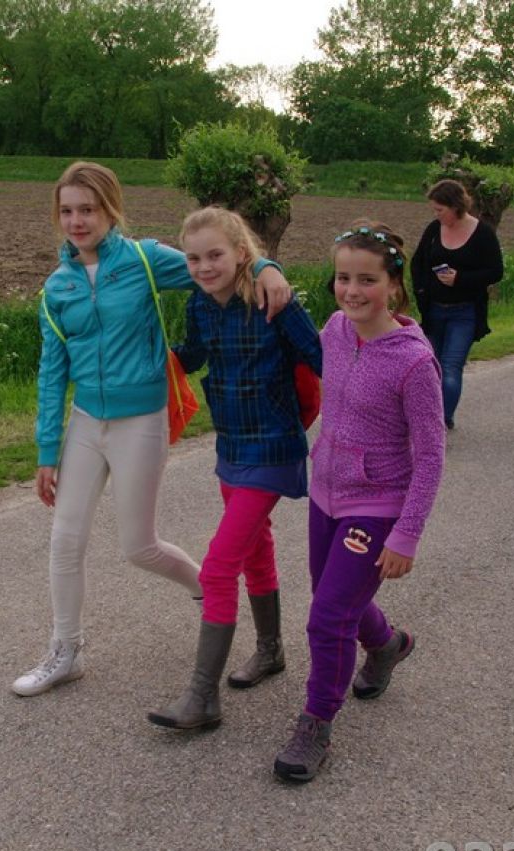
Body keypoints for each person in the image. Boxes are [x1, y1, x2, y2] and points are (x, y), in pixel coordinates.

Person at [13, 162, 295, 698]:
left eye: (88, 209)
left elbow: (216, 264)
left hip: (141, 420)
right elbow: (52, 374)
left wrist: (267, 267)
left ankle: (208, 593)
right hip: (85, 423)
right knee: (65, 539)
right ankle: (65, 650)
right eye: (67, 211)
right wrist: (47, 451)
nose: (77, 221)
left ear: (111, 210)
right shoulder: (57, 288)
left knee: (138, 547)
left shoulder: (142, 260)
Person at [273, 222, 445, 782]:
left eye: (367, 280)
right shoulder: (335, 330)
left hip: (377, 504)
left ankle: (316, 723)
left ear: (394, 284)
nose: (352, 290)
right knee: (336, 597)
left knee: (327, 618)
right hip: (326, 494)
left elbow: (432, 456)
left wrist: (407, 534)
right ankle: (387, 644)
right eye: (343, 278)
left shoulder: (414, 362)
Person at [146, 207, 322, 730]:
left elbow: (322, 358)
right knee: (255, 549)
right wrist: (145, 355)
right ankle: (270, 650)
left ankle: (202, 698)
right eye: (194, 258)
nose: (203, 267)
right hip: (231, 447)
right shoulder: (200, 305)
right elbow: (193, 356)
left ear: (242, 253)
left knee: (219, 566)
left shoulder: (273, 299)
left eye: (215, 255)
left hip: (273, 447)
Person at [410, 179, 505, 430]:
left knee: (451, 368)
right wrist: (421, 291)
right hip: (433, 310)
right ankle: (427, 415)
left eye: (440, 209)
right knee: (430, 367)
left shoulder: (483, 233)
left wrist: (460, 279)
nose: (436, 214)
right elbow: (418, 263)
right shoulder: (434, 229)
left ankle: (441, 421)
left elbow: (495, 271)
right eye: (434, 209)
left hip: (465, 312)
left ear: (455, 206)